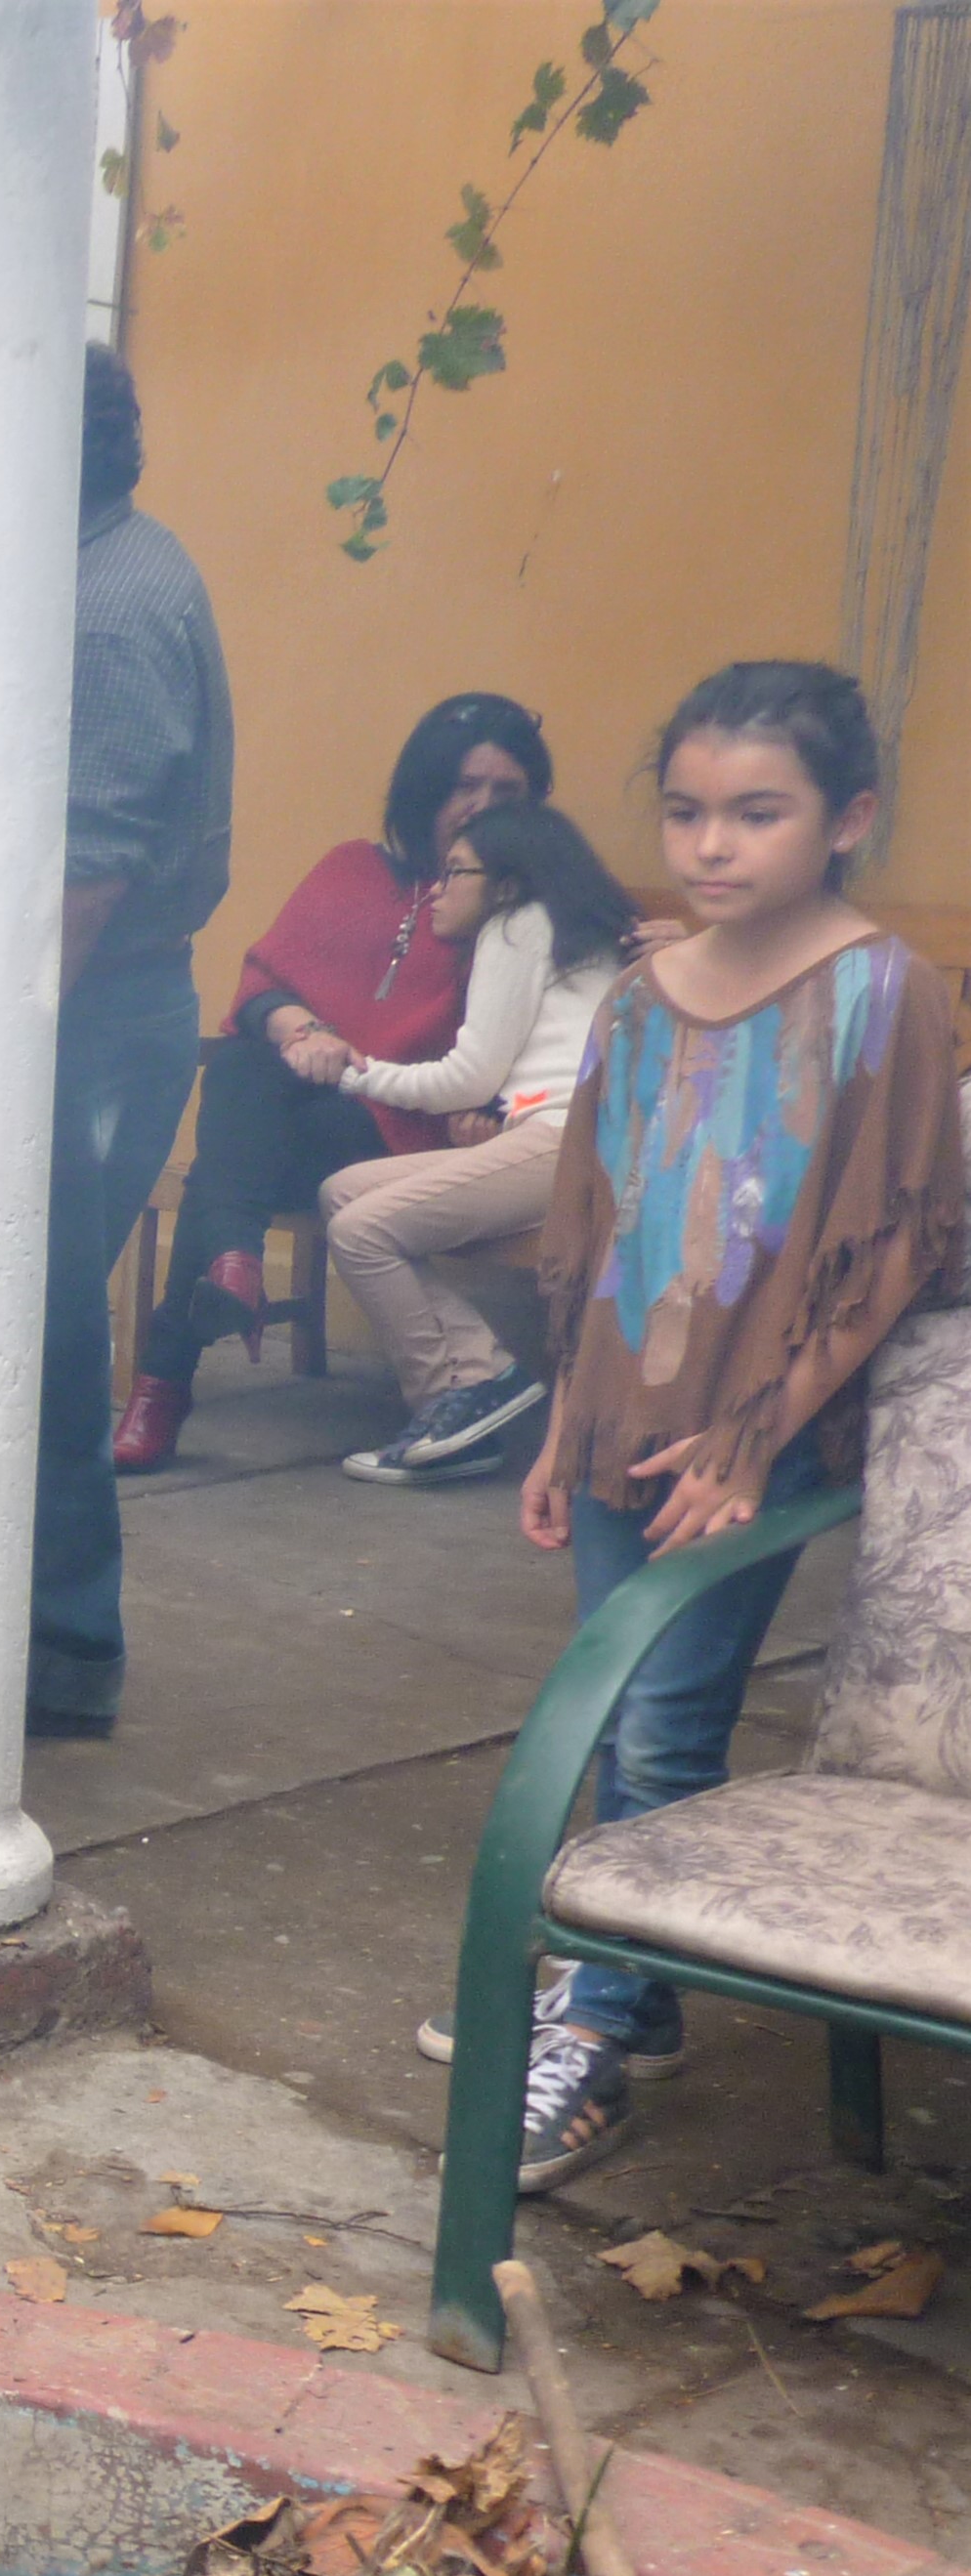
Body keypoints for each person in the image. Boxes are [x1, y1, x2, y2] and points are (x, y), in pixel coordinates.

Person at [453, 662, 962, 2189]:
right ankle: (630, 1982)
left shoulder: (883, 990)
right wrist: (560, 1421)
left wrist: (757, 1433)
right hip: (622, 1411)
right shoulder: (638, 993)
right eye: (683, 812)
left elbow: (891, 1243)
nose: (710, 846)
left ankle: (601, 2029)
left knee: (664, 1715)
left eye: (755, 812)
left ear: (844, 819)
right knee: (611, 1694)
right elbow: (594, 1223)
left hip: (748, 1435)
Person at [110, 691, 554, 1476]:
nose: (482, 806)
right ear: (426, 789)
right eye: (465, 786)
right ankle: (234, 1264)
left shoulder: (521, 913)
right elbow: (263, 985)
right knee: (246, 1066)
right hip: (287, 1124)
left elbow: (547, 1051)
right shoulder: (352, 869)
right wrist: (304, 1031)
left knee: (225, 1171)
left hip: (396, 1140)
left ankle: (168, 1378)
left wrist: (494, 1111)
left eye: (506, 792)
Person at [27, 342, 233, 1741]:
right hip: (108, 1005)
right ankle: (44, 1634)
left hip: (85, 1013)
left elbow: (84, 875)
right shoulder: (118, 561)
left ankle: (64, 1647)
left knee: (33, 1336)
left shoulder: (102, 607)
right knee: (29, 1327)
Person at [317, 799, 639, 1486]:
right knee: (342, 1191)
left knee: (362, 1231)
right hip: (567, 1137)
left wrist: (352, 1073)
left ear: (508, 883)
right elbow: (535, 1075)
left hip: (570, 1146)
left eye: (455, 872)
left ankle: (456, 1396)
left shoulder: (517, 926)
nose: (436, 890)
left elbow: (468, 1078)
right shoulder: (560, 930)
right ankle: (479, 1383)